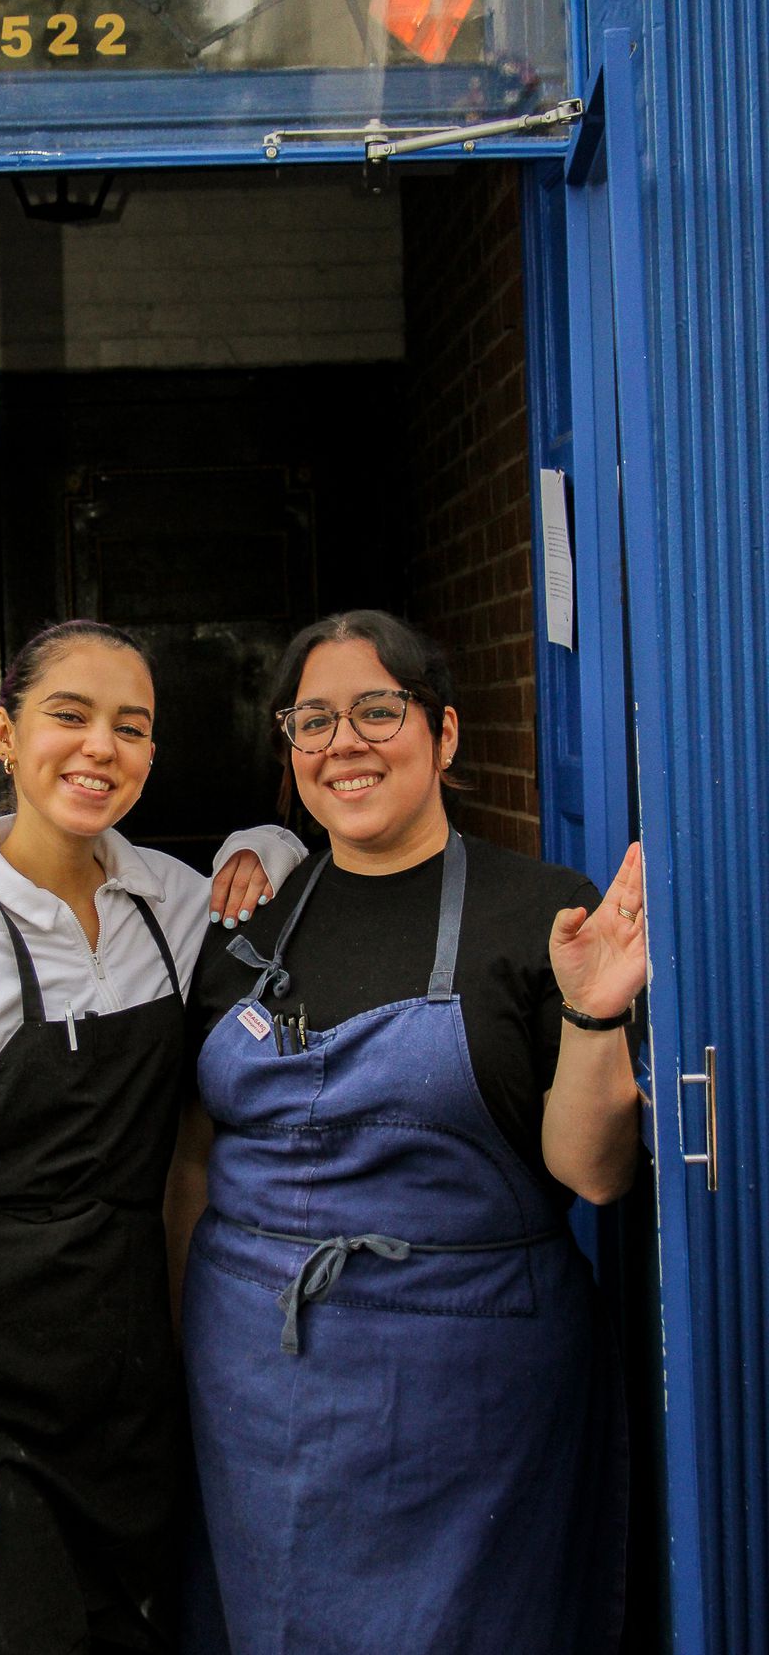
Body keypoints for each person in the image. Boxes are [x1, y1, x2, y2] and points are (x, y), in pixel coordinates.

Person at [180, 609, 643, 1655]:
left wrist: (596, 1012)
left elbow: (594, 1174)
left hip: (472, 1402)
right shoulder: (248, 925)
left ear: (443, 734)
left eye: (378, 710)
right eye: (313, 720)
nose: (344, 743)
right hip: (257, 1390)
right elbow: (194, 1168)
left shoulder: (546, 916)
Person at [0, 618, 304, 1655]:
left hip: (119, 1392)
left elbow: (290, 892)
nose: (101, 747)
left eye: (131, 728)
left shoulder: (170, 909)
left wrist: (263, 845)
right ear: (4, 733)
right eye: (71, 716)